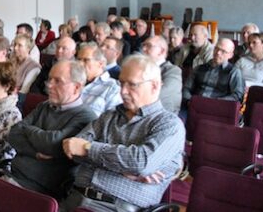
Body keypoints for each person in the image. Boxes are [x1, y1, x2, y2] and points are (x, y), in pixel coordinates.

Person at [61, 55, 186, 212]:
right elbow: (73, 147)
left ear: (154, 86)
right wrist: (123, 165)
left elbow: (139, 164)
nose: (123, 91)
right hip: (75, 198)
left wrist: (89, 148)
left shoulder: (169, 124)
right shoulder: (110, 115)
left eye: (132, 85)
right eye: (121, 83)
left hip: (118, 206)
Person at [0, 61, 96, 212]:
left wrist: (28, 130)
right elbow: (14, 133)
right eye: (50, 79)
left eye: (58, 81)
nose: (49, 85)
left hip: (40, 193)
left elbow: (52, 145)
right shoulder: (45, 106)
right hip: (11, 178)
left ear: (76, 87)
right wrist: (35, 152)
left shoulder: (85, 116)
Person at [182, 38, 245, 106]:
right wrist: (190, 101)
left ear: (230, 55)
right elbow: (186, 88)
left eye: (223, 51)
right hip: (193, 105)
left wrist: (214, 103)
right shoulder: (199, 68)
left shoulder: (233, 72)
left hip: (217, 109)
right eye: (217, 48)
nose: (218, 53)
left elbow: (237, 96)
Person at [77, 42, 122, 116]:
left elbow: (112, 122)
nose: (80, 64)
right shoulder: (71, 83)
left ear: (101, 63)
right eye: (79, 59)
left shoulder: (113, 88)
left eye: (86, 60)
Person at [142, 35, 182, 114]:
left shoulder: (173, 71)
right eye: (143, 45)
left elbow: (160, 94)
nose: (143, 49)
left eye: (149, 46)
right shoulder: (141, 67)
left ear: (161, 51)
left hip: (162, 115)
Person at [12, 34, 41, 106]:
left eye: (19, 45)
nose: (15, 48)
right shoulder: (12, 62)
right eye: (15, 44)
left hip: (17, 102)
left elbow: (23, 93)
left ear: (28, 48)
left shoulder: (34, 67)